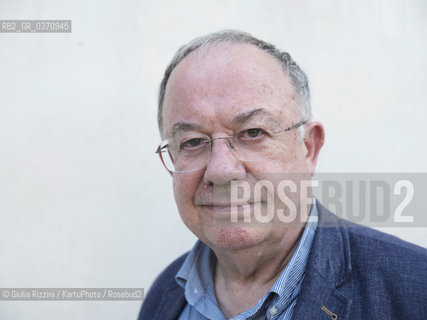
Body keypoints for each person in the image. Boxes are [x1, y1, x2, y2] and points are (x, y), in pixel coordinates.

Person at [139, 30, 427, 320]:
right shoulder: (164, 297)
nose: (221, 171)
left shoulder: (415, 290)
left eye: (253, 133)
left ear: (309, 148)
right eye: (192, 141)